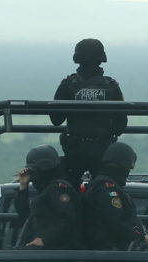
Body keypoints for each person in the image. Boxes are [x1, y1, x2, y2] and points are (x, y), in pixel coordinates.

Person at [50, 38, 127, 187]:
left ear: (77, 58)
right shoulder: (111, 86)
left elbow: (56, 119)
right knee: (104, 191)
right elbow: (120, 126)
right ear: (102, 58)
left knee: (68, 190)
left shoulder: (68, 85)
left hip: (74, 151)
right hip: (102, 150)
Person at [84, 142, 148, 250]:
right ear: (121, 164)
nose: (128, 172)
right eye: (128, 167)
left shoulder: (105, 185)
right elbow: (118, 224)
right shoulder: (107, 189)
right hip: (110, 253)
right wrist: (141, 236)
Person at [15, 145, 81, 249]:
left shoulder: (57, 189)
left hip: (58, 253)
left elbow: (68, 219)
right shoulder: (45, 191)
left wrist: (45, 240)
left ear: (43, 169)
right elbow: (25, 216)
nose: (31, 175)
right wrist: (23, 187)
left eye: (33, 171)